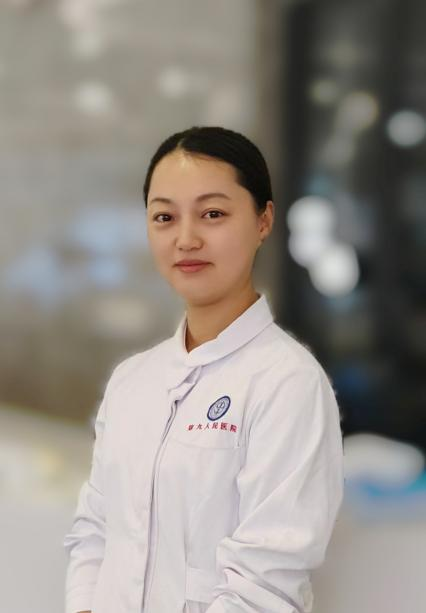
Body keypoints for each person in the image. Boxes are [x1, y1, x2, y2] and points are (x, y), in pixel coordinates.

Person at [64, 126, 344, 613]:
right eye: (164, 217)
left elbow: (266, 583)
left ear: (263, 220)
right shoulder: (132, 380)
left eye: (213, 214)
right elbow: (96, 530)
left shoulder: (288, 383)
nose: (186, 239)